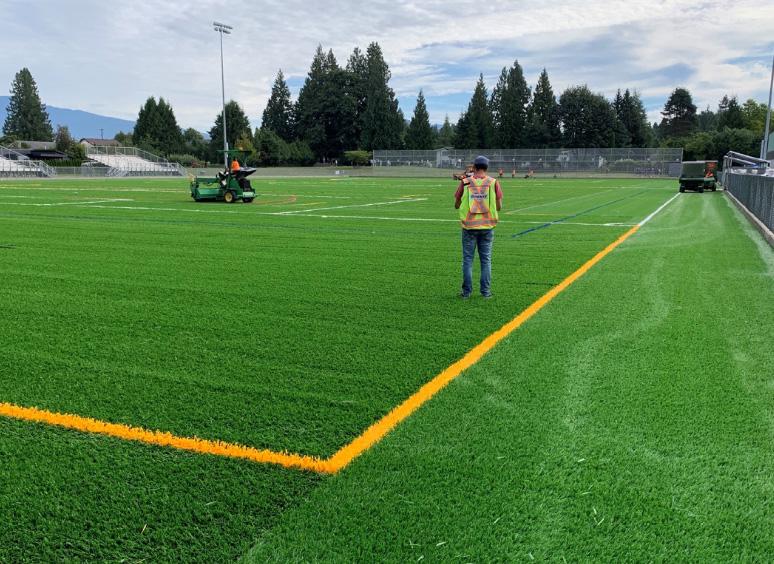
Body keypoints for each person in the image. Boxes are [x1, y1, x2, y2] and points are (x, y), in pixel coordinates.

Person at [454, 155, 502, 299]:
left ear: (474, 168)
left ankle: (466, 292)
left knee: (468, 260)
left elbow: (456, 202)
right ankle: (486, 292)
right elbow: (499, 206)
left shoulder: (466, 182)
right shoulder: (493, 182)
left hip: (469, 227)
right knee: (486, 260)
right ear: (487, 168)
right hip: (487, 226)